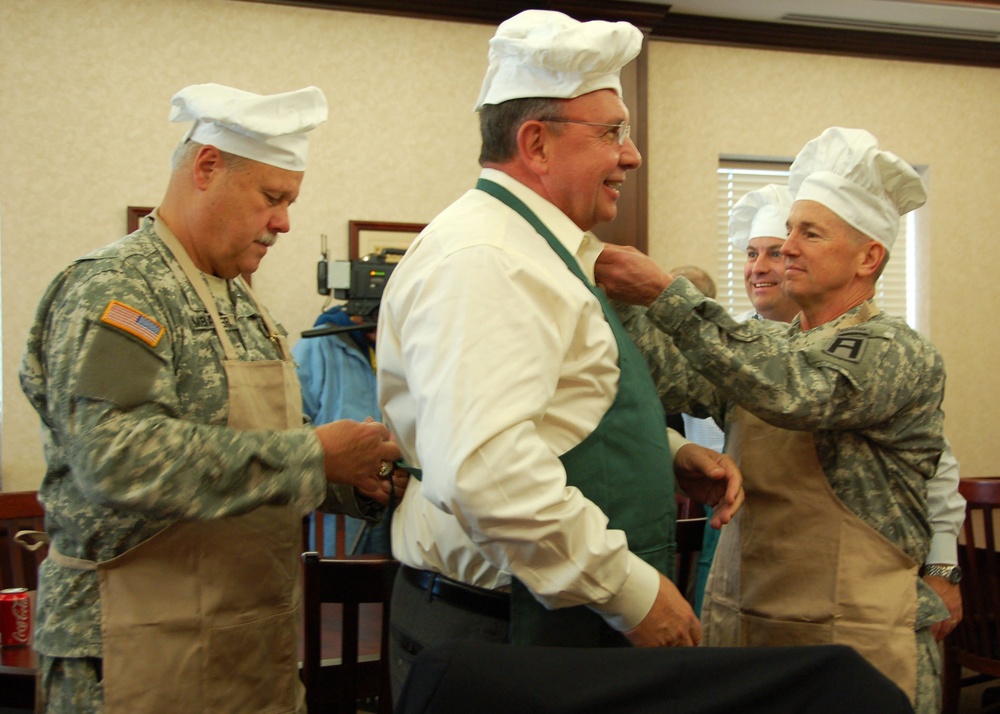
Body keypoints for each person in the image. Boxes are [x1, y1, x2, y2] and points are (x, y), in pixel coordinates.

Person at [377, 9, 743, 702]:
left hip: (543, 623)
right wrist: (635, 593)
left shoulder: (541, 251)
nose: (631, 156)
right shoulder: (489, 261)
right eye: (611, 134)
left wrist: (662, 452)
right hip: (503, 635)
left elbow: (549, 408)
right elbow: (487, 470)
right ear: (536, 144)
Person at [19, 83, 405, 714]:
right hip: (132, 651)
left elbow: (258, 450)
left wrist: (354, 478)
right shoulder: (117, 290)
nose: (284, 221)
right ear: (206, 169)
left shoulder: (240, 300)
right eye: (273, 197)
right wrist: (312, 456)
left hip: (249, 648)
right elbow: (115, 457)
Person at [594, 127, 950, 712]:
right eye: (787, 230)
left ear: (869, 256)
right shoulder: (762, 344)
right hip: (751, 628)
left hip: (856, 646)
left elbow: (797, 388)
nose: (786, 247)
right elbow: (671, 374)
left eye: (809, 232)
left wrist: (667, 294)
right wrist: (613, 293)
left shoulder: (894, 350)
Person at [728, 182, 966, 641]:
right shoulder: (731, 343)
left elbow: (936, 472)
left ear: (865, 260)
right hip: (748, 550)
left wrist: (942, 566)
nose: (766, 267)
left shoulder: (882, 350)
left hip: (847, 593)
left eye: (779, 252)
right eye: (753, 253)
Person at [294, 304, 395, 554]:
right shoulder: (319, 345)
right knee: (337, 587)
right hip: (337, 511)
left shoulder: (404, 346)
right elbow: (289, 427)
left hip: (394, 498)